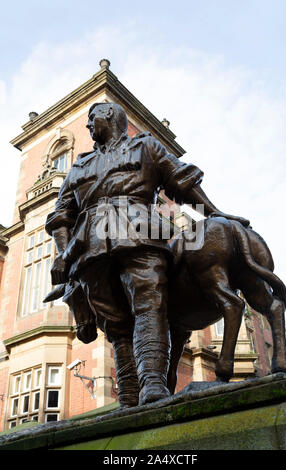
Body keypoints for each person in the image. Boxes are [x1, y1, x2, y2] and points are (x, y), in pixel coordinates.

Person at [45, 102, 249, 407]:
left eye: (93, 118)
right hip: (91, 249)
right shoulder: (79, 166)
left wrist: (217, 213)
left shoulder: (147, 147)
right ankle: (129, 393)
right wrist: (64, 254)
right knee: (115, 325)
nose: (88, 125)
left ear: (111, 116)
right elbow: (60, 217)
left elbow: (182, 183)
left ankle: (153, 383)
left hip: (140, 234)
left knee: (148, 304)